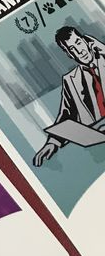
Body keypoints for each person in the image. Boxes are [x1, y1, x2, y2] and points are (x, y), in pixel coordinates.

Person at [33, 26, 105, 166]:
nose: (79, 51)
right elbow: (66, 115)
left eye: (78, 43)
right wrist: (53, 142)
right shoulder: (70, 80)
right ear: (69, 54)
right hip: (98, 147)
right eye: (72, 49)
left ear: (86, 41)